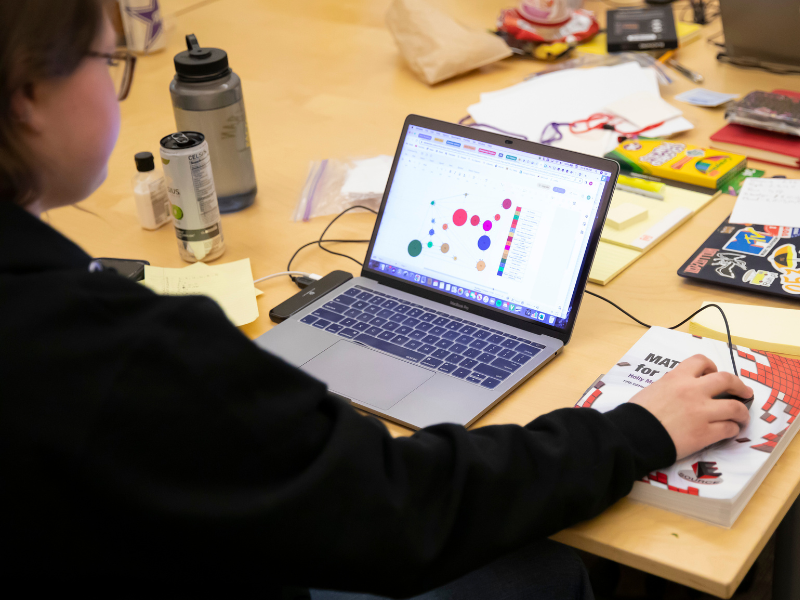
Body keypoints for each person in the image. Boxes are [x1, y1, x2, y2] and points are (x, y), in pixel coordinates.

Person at [0, 1, 752, 598]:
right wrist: (632, 432)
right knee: (543, 573)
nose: (115, 82)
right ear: (31, 94)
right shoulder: (115, 351)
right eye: (110, 62)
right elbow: (400, 507)